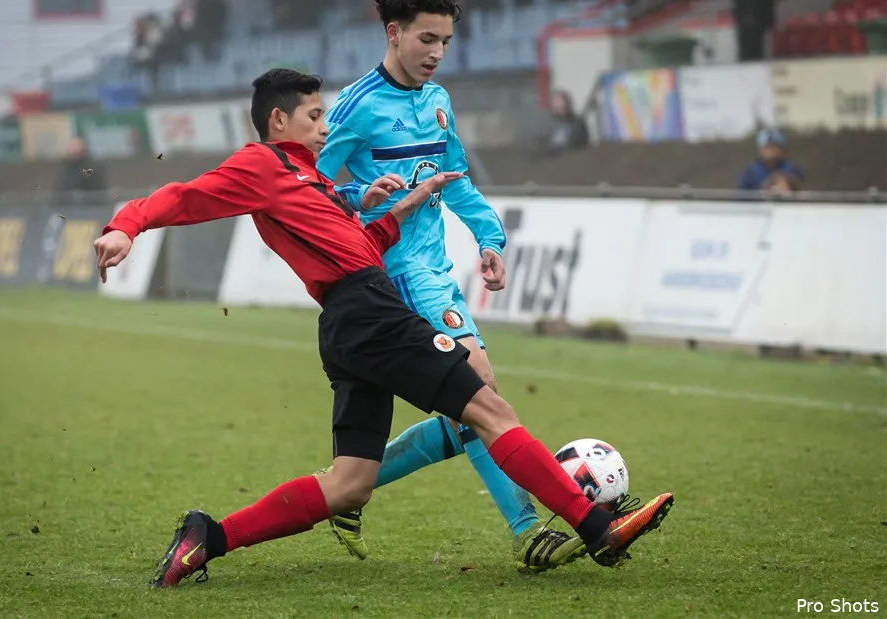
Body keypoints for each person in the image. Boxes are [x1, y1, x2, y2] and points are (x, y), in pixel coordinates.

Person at [93, 68, 674, 589]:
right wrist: (126, 226)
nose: (325, 127)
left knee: (350, 485)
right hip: (371, 315)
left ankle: (209, 536)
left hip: (349, 324)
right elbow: (185, 196)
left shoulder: (309, 181)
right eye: (314, 116)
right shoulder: (262, 165)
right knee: (489, 409)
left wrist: (400, 207)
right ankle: (597, 527)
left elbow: (359, 249)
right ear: (278, 120)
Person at [317, 0, 586, 572]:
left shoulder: (438, 101)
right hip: (388, 272)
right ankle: (526, 530)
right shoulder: (357, 105)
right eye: (427, 39)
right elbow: (314, 188)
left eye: (445, 41)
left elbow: (457, 180)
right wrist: (363, 195)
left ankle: (346, 490)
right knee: (479, 389)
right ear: (394, 33)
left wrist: (489, 238)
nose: (437, 52)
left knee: (467, 407)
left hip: (433, 270)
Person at [737, 128, 803, 193]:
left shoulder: (792, 169)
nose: (772, 151)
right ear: (760, 149)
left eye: (775, 146)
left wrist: (786, 182)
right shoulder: (750, 173)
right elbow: (740, 195)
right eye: (768, 147)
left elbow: (799, 188)